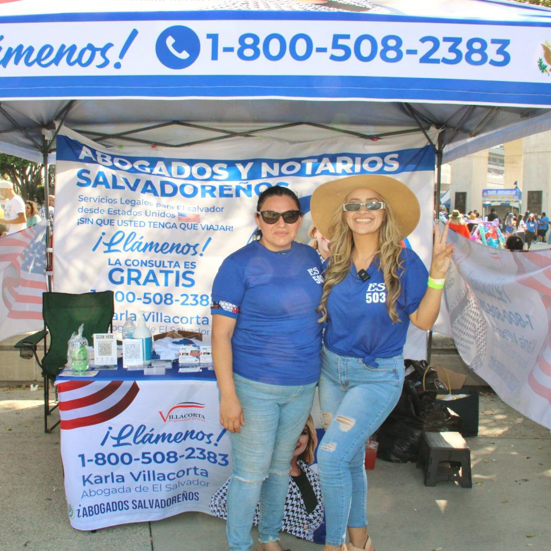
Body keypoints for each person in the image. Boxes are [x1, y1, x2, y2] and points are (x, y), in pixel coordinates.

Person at [310, 175, 453, 551]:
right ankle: (361, 540)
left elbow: (422, 321)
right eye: (354, 205)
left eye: (372, 204)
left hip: (375, 377)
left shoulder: (403, 261)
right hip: (332, 371)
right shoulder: (333, 261)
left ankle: (335, 544)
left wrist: (437, 276)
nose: (363, 211)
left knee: (330, 456)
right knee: (350, 458)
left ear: (384, 212)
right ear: (343, 214)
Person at [211, 186, 324, 551]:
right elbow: (220, 336)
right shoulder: (238, 265)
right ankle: (240, 545)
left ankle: (270, 538)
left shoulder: (310, 258)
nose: (281, 223)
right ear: (258, 219)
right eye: (271, 216)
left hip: (302, 385)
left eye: (289, 216)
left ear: (299, 221)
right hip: (253, 386)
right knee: (250, 474)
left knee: (279, 469)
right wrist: (228, 395)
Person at [210, 415, 325, 544]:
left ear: (310, 438)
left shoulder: (312, 476)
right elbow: (219, 505)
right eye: (287, 431)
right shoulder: (257, 471)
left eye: (302, 432)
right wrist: (263, 530)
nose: (295, 438)